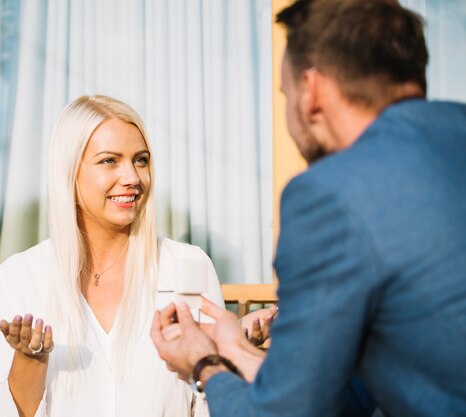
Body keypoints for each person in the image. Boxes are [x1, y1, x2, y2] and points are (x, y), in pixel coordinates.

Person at [150, 0, 466, 416]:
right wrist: (235, 351)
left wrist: (203, 364)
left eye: (285, 95)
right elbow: (350, 392)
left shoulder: (330, 195)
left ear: (311, 89)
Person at [0, 95, 227, 417]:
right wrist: (31, 360)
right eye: (109, 161)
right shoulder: (21, 276)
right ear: (69, 172)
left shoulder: (189, 266)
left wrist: (232, 354)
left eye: (140, 160)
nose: (132, 177)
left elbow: (215, 404)